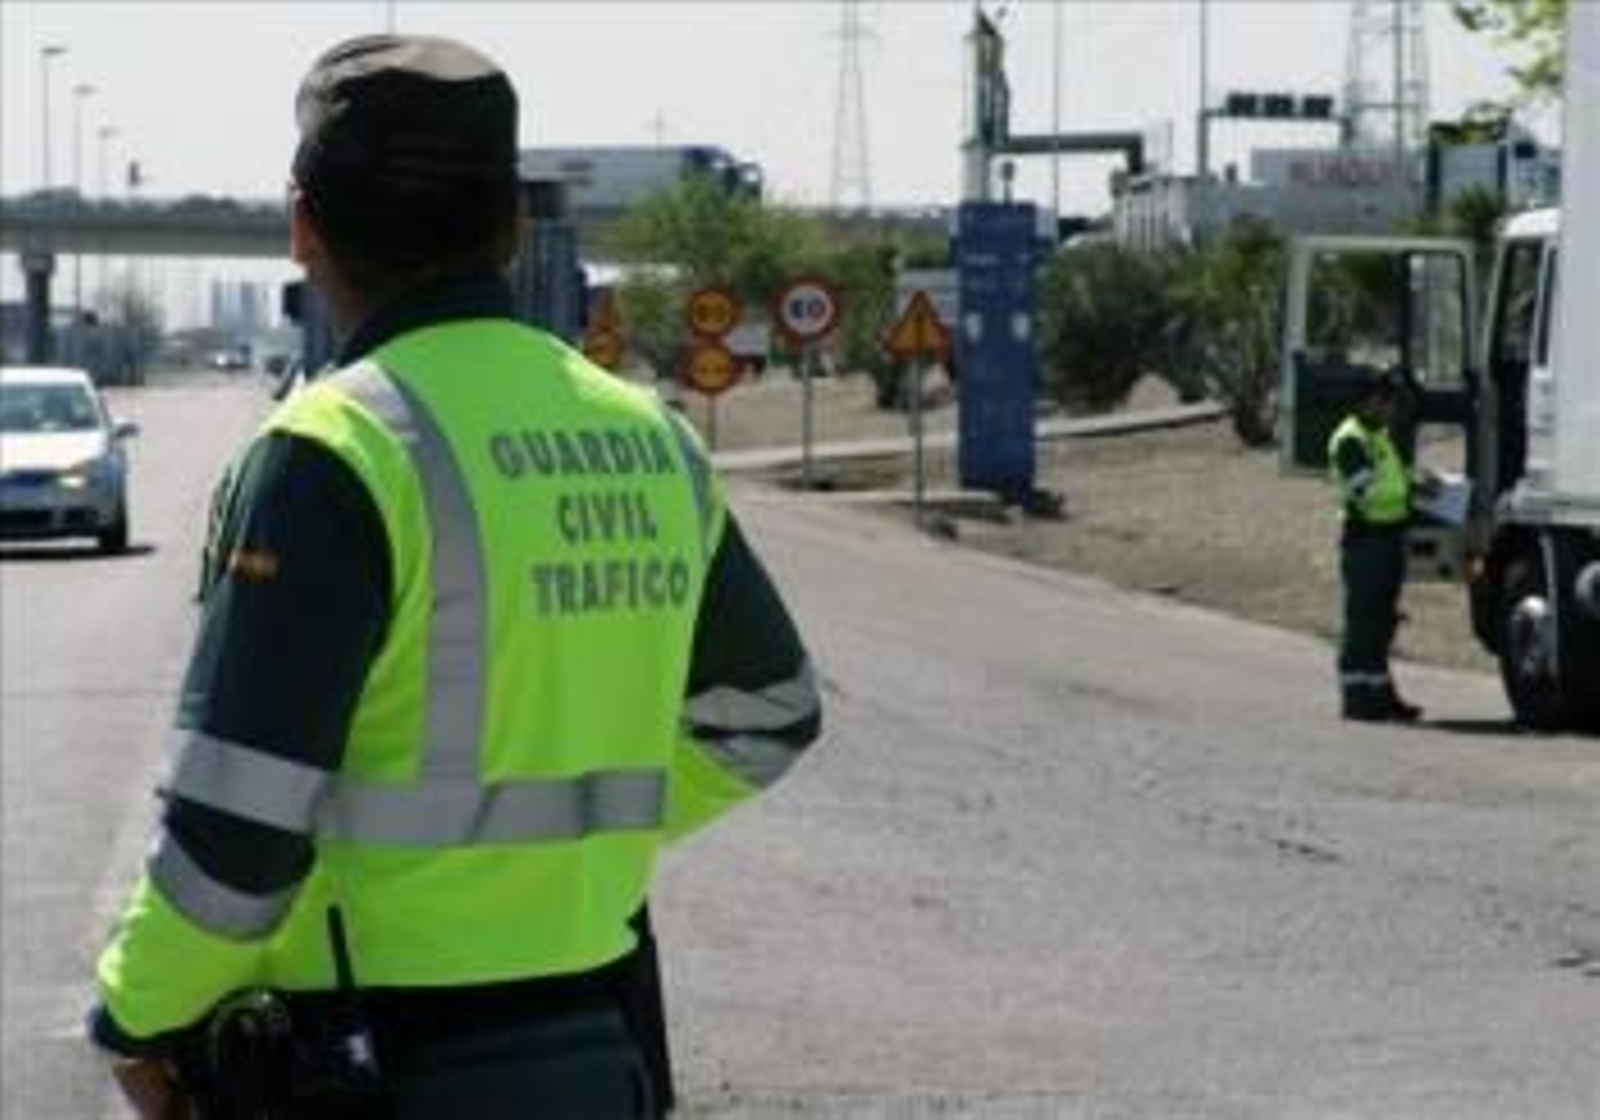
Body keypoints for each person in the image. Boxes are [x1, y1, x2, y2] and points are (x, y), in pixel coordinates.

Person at [87, 33, 821, 1118]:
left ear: (303, 227)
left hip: (366, 1063)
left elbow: (236, 834)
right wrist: (565, 858)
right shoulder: (647, 436)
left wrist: (133, 1017)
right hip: (591, 1052)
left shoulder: (335, 452)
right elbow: (768, 713)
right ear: (511, 227)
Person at [1327, 371, 1424, 723]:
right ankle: (1356, 698)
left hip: (1388, 540)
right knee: (1363, 623)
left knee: (1382, 622)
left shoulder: (1377, 437)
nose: (1389, 409)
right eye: (1385, 402)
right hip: (1366, 541)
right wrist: (1409, 492)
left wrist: (1419, 482)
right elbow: (1368, 492)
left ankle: (1382, 696)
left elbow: (1394, 478)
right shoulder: (1350, 440)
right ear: (1367, 402)